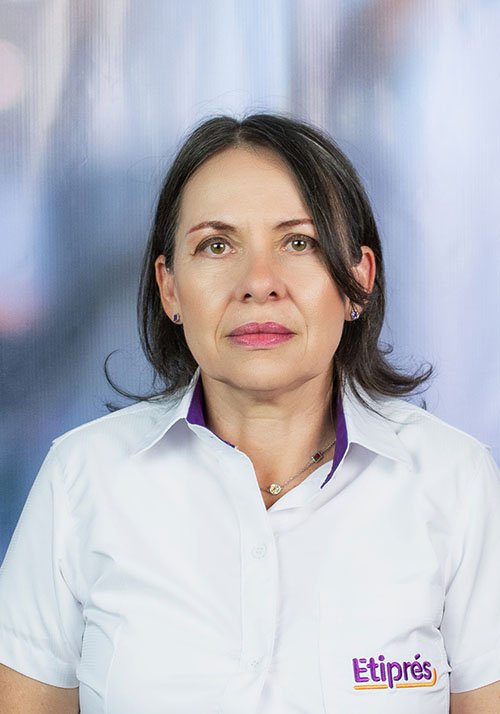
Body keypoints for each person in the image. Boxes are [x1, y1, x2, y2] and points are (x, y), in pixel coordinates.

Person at [0, 113, 499, 714]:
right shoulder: (81, 477)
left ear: (359, 281)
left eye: (299, 243)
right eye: (216, 245)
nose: (259, 283)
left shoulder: (455, 480)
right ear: (169, 288)